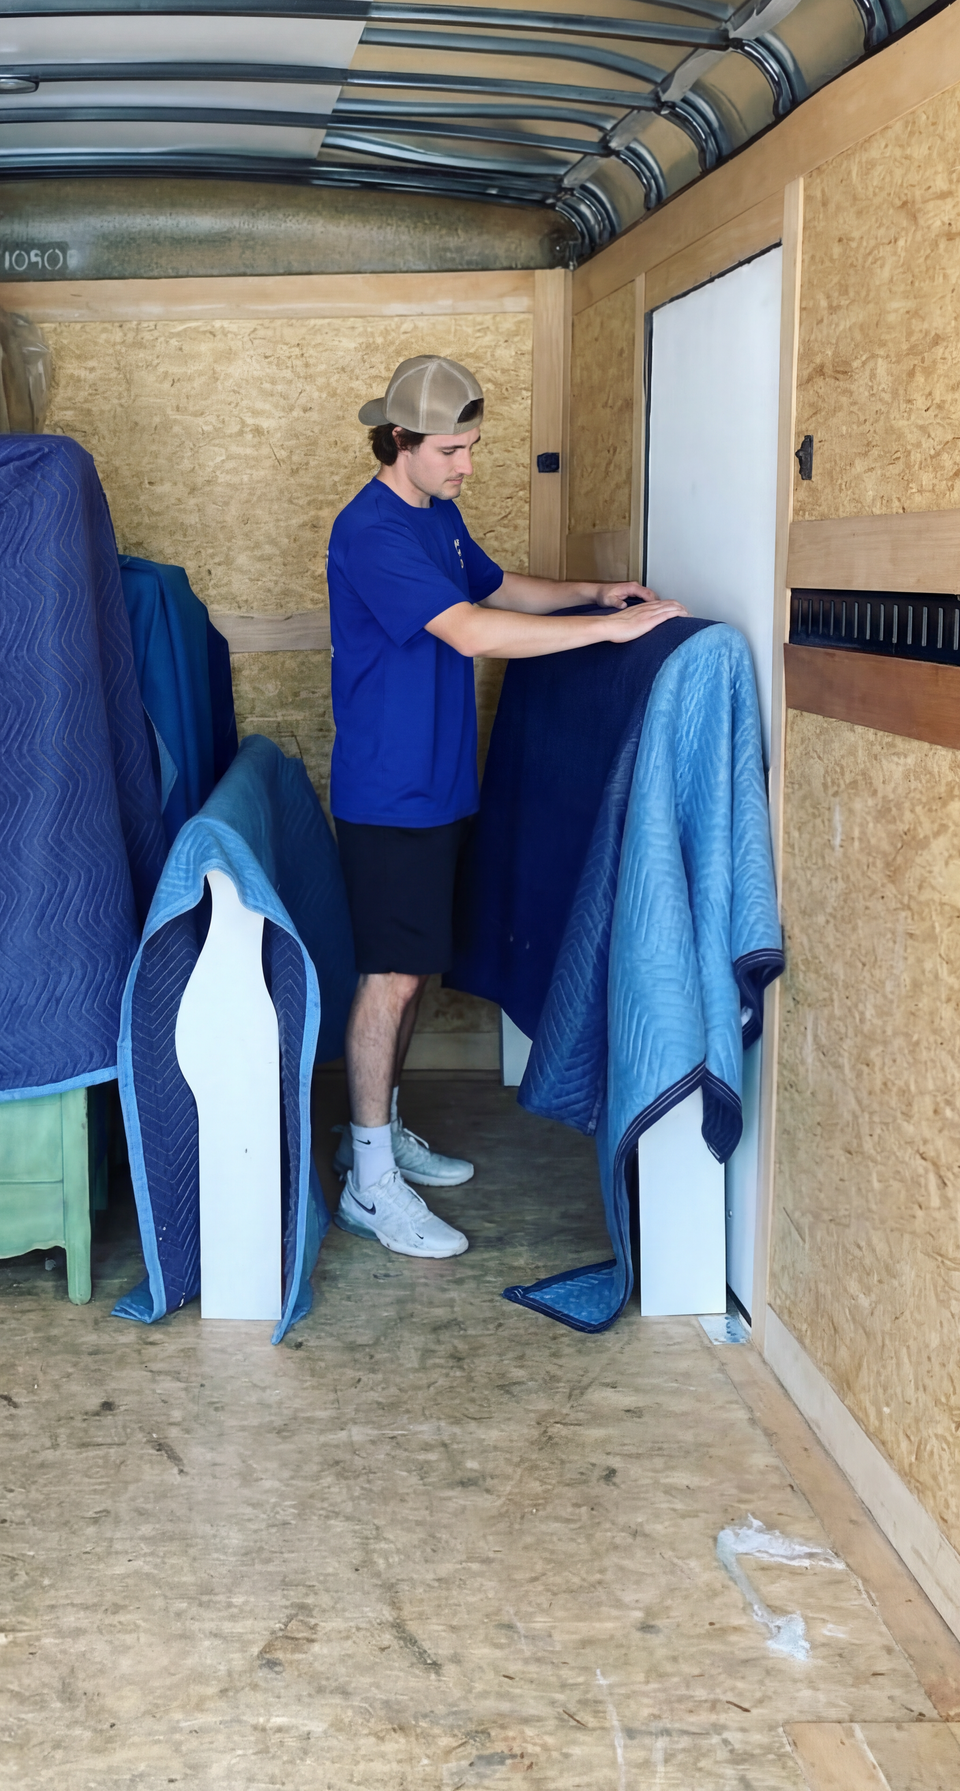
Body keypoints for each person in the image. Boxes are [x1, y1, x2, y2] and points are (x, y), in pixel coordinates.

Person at [326, 354, 687, 1259]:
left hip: (441, 785)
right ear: (400, 441)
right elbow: (472, 631)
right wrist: (606, 632)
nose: (466, 467)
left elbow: (492, 587)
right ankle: (368, 1181)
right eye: (452, 450)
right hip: (390, 794)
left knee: (412, 974)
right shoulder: (369, 531)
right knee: (391, 976)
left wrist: (588, 594)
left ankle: (379, 1134)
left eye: (473, 448)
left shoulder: (435, 515)